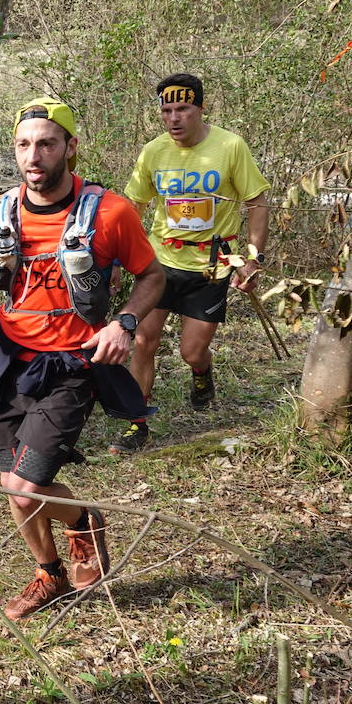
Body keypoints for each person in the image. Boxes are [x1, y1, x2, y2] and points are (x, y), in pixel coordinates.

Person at [0, 99, 164, 620]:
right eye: (24, 144)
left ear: (70, 147)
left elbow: (153, 276)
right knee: (11, 486)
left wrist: (125, 323)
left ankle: (82, 522)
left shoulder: (111, 212)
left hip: (73, 363)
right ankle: (51, 569)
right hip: (9, 362)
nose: (34, 156)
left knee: (25, 488)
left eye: (46, 143)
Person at [110, 74, 271, 453]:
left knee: (190, 351)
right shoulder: (153, 152)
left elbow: (257, 202)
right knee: (144, 341)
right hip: (160, 263)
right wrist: (119, 257)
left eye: (182, 109)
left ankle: (201, 371)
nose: (174, 118)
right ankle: (138, 424)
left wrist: (253, 259)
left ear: (201, 108)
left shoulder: (230, 147)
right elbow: (133, 206)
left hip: (211, 266)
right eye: (166, 111)